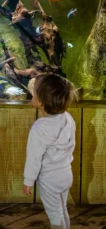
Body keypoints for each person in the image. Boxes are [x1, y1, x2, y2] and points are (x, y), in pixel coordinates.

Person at [23, 74, 79, 229]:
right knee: (62, 209)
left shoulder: (40, 128)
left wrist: (28, 181)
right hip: (66, 174)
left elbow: (34, 158)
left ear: (40, 102)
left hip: (49, 179)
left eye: (34, 91)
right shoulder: (68, 118)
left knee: (55, 214)